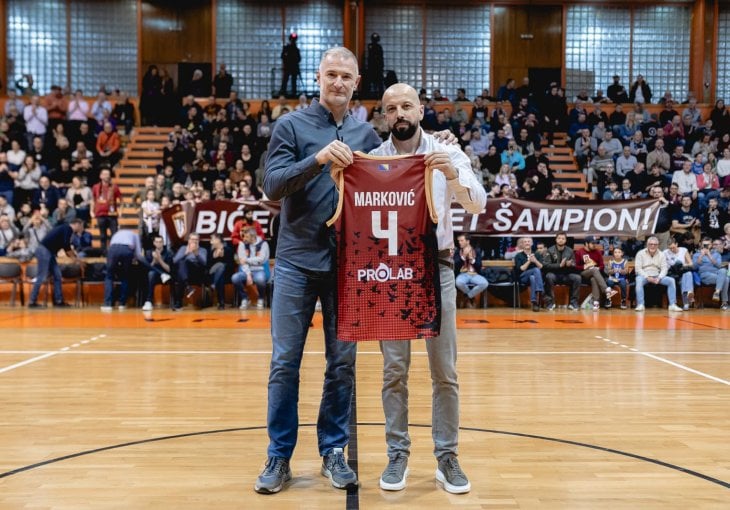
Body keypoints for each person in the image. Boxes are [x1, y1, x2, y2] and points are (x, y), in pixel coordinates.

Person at [256, 46, 383, 495]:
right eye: (331, 74)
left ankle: (333, 450)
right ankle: (278, 456)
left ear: (356, 82)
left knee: (342, 365)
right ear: (317, 77)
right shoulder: (291, 125)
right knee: (284, 363)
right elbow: (270, 184)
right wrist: (318, 160)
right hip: (294, 261)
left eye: (346, 76)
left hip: (348, 266)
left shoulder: (367, 133)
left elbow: (392, 177)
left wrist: (437, 144)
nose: (338, 82)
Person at [367, 83, 486, 494]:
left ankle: (447, 456)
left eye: (406, 106)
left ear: (420, 109)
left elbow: (477, 204)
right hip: (391, 274)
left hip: (439, 268)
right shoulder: (372, 160)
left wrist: (452, 173)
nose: (399, 113)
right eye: (391, 108)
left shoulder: (446, 151)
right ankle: (397, 453)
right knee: (394, 370)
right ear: (383, 115)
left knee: (444, 371)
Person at [27, 218, 84, 308]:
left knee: (57, 275)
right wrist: (76, 259)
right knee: (41, 276)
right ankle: (32, 301)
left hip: (49, 252)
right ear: (77, 224)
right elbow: (66, 246)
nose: (82, 229)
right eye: (81, 226)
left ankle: (59, 301)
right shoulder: (67, 228)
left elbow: (66, 247)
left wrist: (74, 258)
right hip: (45, 251)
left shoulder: (65, 229)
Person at [634, 236, 683, 312]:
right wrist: (647, 277)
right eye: (651, 244)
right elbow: (638, 269)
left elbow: (664, 269)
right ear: (647, 244)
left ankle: (672, 305)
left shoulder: (661, 254)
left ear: (658, 245)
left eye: (655, 244)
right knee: (638, 280)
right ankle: (640, 304)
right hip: (644, 275)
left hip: (657, 275)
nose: (653, 246)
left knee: (671, 280)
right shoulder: (640, 253)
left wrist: (659, 277)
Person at [101, 229, 145, 311]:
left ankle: (108, 304)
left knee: (109, 277)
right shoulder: (135, 235)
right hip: (127, 250)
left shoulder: (116, 234)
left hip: (113, 249)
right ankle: (122, 303)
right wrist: (137, 259)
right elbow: (138, 254)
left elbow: (111, 247)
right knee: (125, 277)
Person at [232, 227, 270, 309]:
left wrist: (247, 260)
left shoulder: (264, 244)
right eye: (244, 236)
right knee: (235, 278)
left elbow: (261, 260)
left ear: (253, 237)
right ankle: (245, 298)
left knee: (260, 279)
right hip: (246, 271)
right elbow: (242, 262)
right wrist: (248, 274)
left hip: (260, 270)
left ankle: (261, 298)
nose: (244, 239)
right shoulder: (242, 244)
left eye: (247, 237)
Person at [575, 236, 617, 311]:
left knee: (594, 279)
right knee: (594, 270)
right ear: (586, 244)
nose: (594, 245)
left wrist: (598, 268)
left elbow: (602, 265)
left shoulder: (597, 252)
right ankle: (606, 290)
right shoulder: (579, 252)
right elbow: (576, 267)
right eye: (592, 243)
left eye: (595, 243)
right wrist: (584, 266)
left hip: (595, 275)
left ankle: (596, 303)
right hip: (584, 274)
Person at [542, 232, 582, 310]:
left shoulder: (570, 250)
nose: (561, 240)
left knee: (577, 278)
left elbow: (575, 264)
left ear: (565, 240)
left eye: (563, 238)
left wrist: (570, 264)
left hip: (566, 275)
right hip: (554, 275)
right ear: (556, 239)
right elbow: (546, 265)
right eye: (559, 238)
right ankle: (550, 303)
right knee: (548, 276)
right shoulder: (550, 250)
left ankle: (573, 303)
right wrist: (559, 265)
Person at [172, 232, 208, 310]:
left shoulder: (202, 250)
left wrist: (196, 254)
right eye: (192, 239)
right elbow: (175, 261)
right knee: (181, 265)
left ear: (199, 241)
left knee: (182, 268)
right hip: (185, 273)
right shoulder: (183, 248)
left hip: (196, 272)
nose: (194, 241)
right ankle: (187, 287)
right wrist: (186, 253)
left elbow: (204, 263)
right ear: (189, 240)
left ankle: (179, 302)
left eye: (196, 240)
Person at [91, 167, 121, 254]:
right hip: (100, 214)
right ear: (100, 176)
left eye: (108, 174)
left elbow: (121, 200)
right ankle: (103, 253)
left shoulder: (114, 187)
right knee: (102, 235)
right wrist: (91, 211)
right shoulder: (96, 187)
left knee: (114, 234)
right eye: (104, 174)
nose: (106, 176)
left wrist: (121, 211)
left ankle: (114, 252)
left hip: (112, 214)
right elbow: (93, 199)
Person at [454, 233, 488, 308]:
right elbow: (455, 265)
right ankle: (471, 297)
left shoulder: (476, 251)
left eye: (462, 240)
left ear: (467, 241)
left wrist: (472, 260)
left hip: (474, 274)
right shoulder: (458, 251)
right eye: (459, 241)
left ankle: (467, 296)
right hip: (462, 274)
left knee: (484, 283)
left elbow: (479, 265)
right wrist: (463, 257)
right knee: (458, 282)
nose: (459, 242)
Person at [141, 235, 173, 311]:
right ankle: (148, 301)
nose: (159, 243)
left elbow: (169, 270)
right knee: (150, 273)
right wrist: (154, 261)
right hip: (152, 277)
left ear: (163, 243)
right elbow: (148, 267)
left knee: (151, 273)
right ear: (154, 243)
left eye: (160, 242)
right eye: (157, 242)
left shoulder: (168, 253)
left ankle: (162, 274)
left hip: (166, 277)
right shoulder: (149, 252)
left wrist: (160, 260)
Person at [513, 237, 545, 312]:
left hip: (534, 279)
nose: (527, 243)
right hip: (522, 277)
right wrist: (529, 261)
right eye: (525, 242)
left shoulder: (537, 254)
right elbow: (521, 269)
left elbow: (541, 267)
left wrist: (535, 260)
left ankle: (534, 302)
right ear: (522, 244)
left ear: (532, 243)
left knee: (533, 278)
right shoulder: (518, 256)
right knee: (535, 270)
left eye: (528, 241)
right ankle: (540, 290)